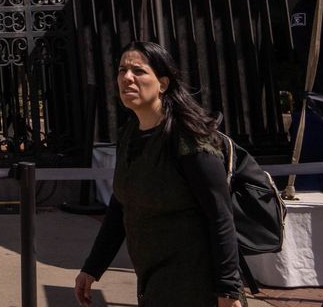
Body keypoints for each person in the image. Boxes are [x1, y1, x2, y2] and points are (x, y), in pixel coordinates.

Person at [76, 41, 242, 307]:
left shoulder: (189, 138)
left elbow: (221, 217)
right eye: (121, 70)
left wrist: (228, 291)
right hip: (154, 283)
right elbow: (121, 206)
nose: (127, 78)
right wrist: (92, 267)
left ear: (163, 83)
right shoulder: (130, 135)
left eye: (138, 71)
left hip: (196, 286)